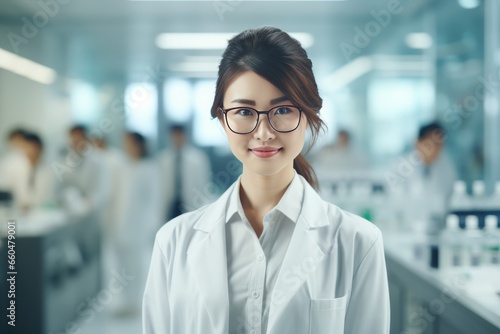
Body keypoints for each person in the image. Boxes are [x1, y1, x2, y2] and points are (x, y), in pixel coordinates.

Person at [143, 27, 390, 334]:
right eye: (245, 111)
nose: (263, 132)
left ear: (309, 115)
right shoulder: (173, 242)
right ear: (223, 120)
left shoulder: (358, 242)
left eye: (283, 110)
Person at [113, 131, 161, 316]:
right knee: (121, 265)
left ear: (140, 145)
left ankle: (135, 301)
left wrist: (152, 225)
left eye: (130, 143)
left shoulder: (149, 168)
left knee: (135, 265)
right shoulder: (123, 167)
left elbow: (154, 199)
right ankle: (125, 301)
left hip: (138, 225)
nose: (126, 147)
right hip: (119, 225)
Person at [157, 124, 212, 221]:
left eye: (180, 135)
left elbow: (204, 185)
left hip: (190, 204)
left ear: (185, 136)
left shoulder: (198, 159)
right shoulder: (162, 159)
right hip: (170, 205)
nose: (177, 138)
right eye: (174, 135)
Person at [0, 128, 31, 211]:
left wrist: (24, 202)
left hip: (10, 199)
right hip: (5, 198)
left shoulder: (22, 160)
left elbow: (21, 183)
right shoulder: (7, 158)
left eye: (19, 140)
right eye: (13, 140)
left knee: (11, 222)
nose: (16, 143)